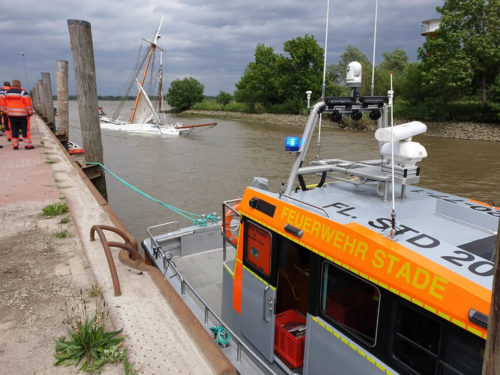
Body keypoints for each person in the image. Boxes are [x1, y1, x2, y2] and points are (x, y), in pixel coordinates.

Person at [4, 79, 34, 150]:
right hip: (22, 115)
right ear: (20, 85)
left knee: (14, 129)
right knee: (25, 130)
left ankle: (15, 145)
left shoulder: (7, 93)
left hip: (11, 115)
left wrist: (6, 111)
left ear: (12, 85)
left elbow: (3, 104)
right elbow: (28, 105)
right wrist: (30, 113)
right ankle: (27, 145)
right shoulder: (23, 93)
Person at [0, 81, 10, 146]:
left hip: (2, 109)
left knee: (4, 122)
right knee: (11, 123)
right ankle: (11, 137)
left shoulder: (1, 91)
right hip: (10, 109)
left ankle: (8, 136)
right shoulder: (11, 90)